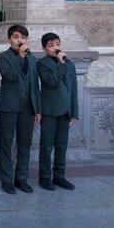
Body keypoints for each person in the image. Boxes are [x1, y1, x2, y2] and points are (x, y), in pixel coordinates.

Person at [0, 24, 41, 195]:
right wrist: (20, 57)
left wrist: (38, 109)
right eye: (16, 37)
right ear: (9, 39)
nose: (20, 40)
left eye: (23, 37)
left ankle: (21, 178)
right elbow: (10, 76)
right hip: (9, 106)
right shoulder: (3, 57)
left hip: (28, 107)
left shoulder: (32, 59)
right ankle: (7, 180)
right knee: (7, 144)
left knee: (24, 145)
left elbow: (35, 85)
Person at [37, 32, 78, 191]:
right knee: (47, 145)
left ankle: (59, 176)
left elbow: (73, 89)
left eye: (58, 44)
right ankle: (44, 177)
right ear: (45, 48)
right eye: (51, 45)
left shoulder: (70, 64)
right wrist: (60, 64)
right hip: (49, 110)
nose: (55, 48)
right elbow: (52, 82)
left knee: (62, 145)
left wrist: (74, 112)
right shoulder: (42, 64)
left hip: (65, 111)